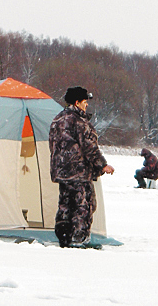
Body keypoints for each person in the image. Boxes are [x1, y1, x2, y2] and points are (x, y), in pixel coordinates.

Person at [49, 86, 114, 248]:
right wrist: (103, 165)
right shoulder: (79, 121)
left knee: (65, 205)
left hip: (62, 173)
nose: (86, 105)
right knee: (83, 205)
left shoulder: (57, 119)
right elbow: (89, 147)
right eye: (85, 102)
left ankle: (64, 238)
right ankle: (79, 239)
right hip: (79, 173)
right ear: (77, 102)